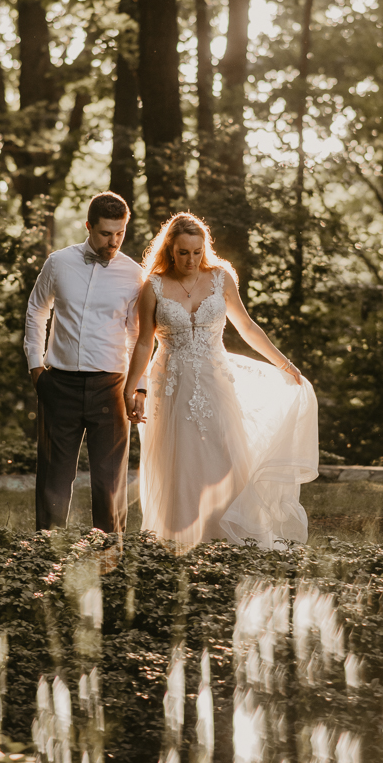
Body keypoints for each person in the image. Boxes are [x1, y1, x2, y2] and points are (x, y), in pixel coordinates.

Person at [124, 213, 318, 552]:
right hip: (171, 383)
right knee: (180, 462)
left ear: (205, 249)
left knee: (225, 454)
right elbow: (143, 342)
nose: (190, 260)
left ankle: (232, 537)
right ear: (170, 250)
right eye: (183, 252)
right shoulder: (152, 286)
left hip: (216, 380)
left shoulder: (220, 278)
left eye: (197, 252)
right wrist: (132, 388)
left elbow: (246, 326)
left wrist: (284, 363)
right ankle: (180, 539)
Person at [24, 191, 144, 536]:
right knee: (53, 480)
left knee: (109, 483)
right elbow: (37, 310)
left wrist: (137, 387)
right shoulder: (59, 262)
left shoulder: (133, 275)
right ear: (89, 226)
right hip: (58, 383)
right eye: (106, 233)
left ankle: (109, 556)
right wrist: (36, 367)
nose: (114, 241)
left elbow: (139, 337)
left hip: (112, 387)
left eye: (120, 233)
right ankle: (46, 554)